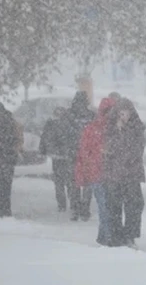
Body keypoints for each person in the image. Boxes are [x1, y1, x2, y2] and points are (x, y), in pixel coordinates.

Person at [103, 97, 146, 248]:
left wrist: (125, 132)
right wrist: (118, 131)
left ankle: (129, 236)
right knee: (114, 206)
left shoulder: (137, 128)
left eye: (127, 113)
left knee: (135, 205)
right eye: (121, 113)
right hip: (114, 174)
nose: (124, 116)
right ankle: (116, 237)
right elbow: (108, 149)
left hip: (132, 174)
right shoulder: (110, 129)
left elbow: (137, 149)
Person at [75, 97, 117, 245]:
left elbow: (83, 154)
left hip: (105, 174)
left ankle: (103, 236)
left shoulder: (95, 129)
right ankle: (108, 237)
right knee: (105, 207)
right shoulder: (97, 129)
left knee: (107, 207)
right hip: (99, 174)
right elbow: (84, 154)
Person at [59, 92, 96, 220]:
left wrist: (68, 147)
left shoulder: (68, 115)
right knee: (87, 182)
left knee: (73, 182)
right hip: (88, 154)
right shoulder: (91, 115)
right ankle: (85, 208)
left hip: (73, 153)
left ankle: (75, 208)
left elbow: (63, 134)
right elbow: (96, 134)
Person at [39, 107, 70, 212]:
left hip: (56, 156)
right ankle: (73, 200)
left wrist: (42, 150)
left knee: (58, 181)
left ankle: (61, 205)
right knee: (70, 179)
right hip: (68, 155)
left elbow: (44, 137)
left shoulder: (51, 123)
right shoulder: (70, 123)